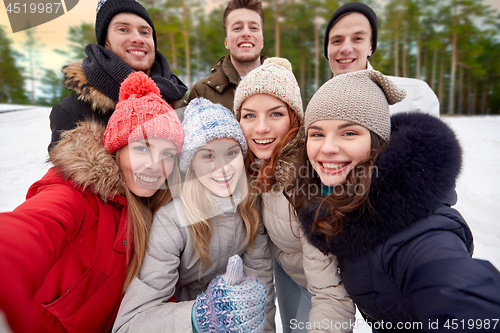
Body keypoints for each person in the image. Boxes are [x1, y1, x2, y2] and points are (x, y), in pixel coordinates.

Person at [291, 69, 500, 331]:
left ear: (377, 141)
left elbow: (454, 286)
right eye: (317, 133)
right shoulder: (340, 199)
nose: (327, 147)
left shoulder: (419, 229)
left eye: (349, 133)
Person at [0, 71, 184, 333]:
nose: (155, 166)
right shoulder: (77, 192)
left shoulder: (157, 209)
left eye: (167, 153)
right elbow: (32, 227)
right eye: (142, 148)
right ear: (116, 149)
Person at [112, 97, 275, 333]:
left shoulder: (249, 208)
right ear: (191, 165)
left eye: (231, 153)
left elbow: (261, 293)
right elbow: (131, 323)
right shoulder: (172, 221)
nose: (223, 167)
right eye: (208, 156)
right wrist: (201, 317)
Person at [234, 57, 355, 333]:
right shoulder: (250, 170)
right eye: (249, 115)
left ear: (295, 119)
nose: (261, 128)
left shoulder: (307, 184)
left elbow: (331, 294)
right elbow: (259, 266)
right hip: (287, 274)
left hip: (317, 289)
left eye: (275, 114)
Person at [48, 0, 187, 151]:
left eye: (145, 32)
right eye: (123, 29)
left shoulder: (180, 105)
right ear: (105, 42)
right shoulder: (72, 112)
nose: (138, 39)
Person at [324, 2, 440, 116]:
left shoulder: (414, 96)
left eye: (357, 38)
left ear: (371, 47)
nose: (346, 49)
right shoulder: (316, 107)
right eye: (337, 41)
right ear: (327, 50)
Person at [187, 0, 267, 113]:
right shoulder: (202, 92)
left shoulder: (284, 84)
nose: (246, 33)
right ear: (226, 42)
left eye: (253, 28)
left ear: (262, 41)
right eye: (237, 28)